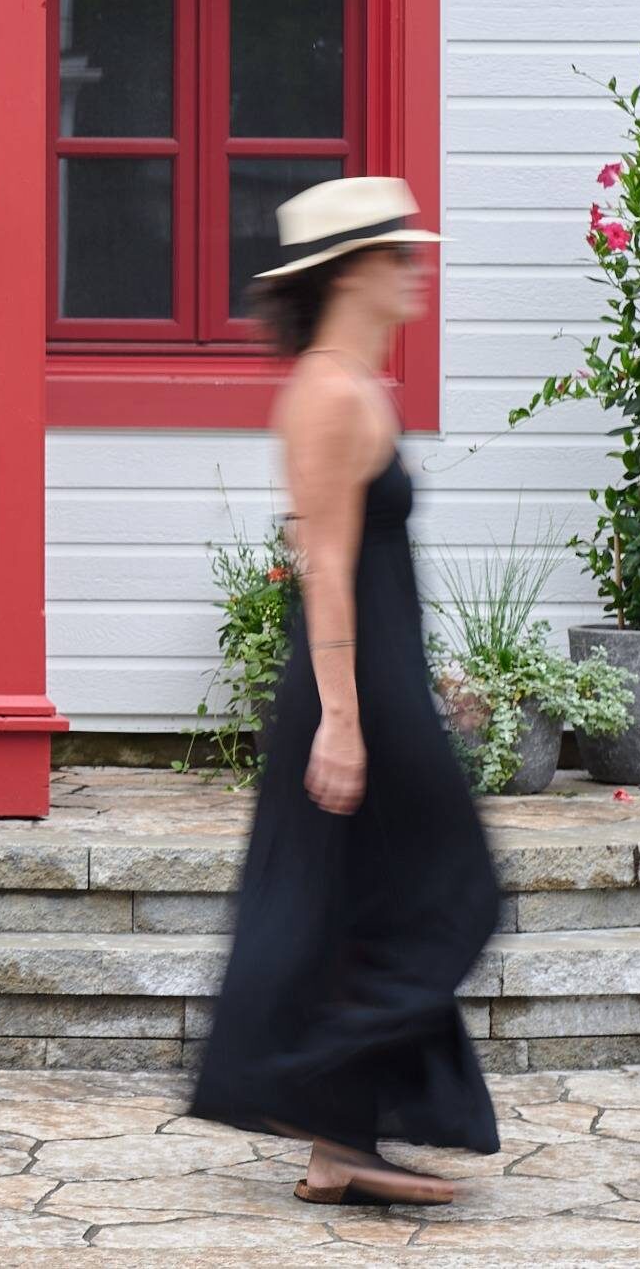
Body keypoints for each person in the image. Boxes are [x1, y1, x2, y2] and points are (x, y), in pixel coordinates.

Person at [190, 177, 500, 1205]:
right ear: (355, 271)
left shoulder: (360, 386)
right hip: (351, 690)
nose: (415, 268)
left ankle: (338, 1138)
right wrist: (345, 722)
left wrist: (427, 680)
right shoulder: (326, 392)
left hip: (381, 676)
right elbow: (321, 566)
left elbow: (374, 564)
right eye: (398, 254)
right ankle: (308, 1088)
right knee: (454, 888)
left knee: (369, 897)